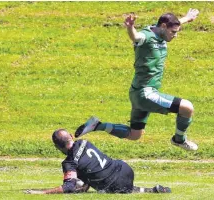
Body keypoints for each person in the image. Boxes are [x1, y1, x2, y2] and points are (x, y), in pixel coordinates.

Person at [75, 9, 200, 151]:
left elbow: (175, 24)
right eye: (173, 32)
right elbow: (136, 37)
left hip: (136, 92)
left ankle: (98, 125)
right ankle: (179, 140)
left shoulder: (160, 30)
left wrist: (187, 18)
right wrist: (130, 28)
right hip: (145, 93)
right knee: (187, 107)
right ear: (164, 27)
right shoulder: (146, 37)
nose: (175, 35)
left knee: (135, 134)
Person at [25, 129, 171, 194]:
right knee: (123, 185)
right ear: (71, 136)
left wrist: (42, 193)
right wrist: (85, 185)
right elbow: (91, 165)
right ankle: (151, 190)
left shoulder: (69, 163)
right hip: (125, 169)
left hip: (114, 184)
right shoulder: (84, 142)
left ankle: (147, 190)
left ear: (57, 147)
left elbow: (68, 187)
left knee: (113, 185)